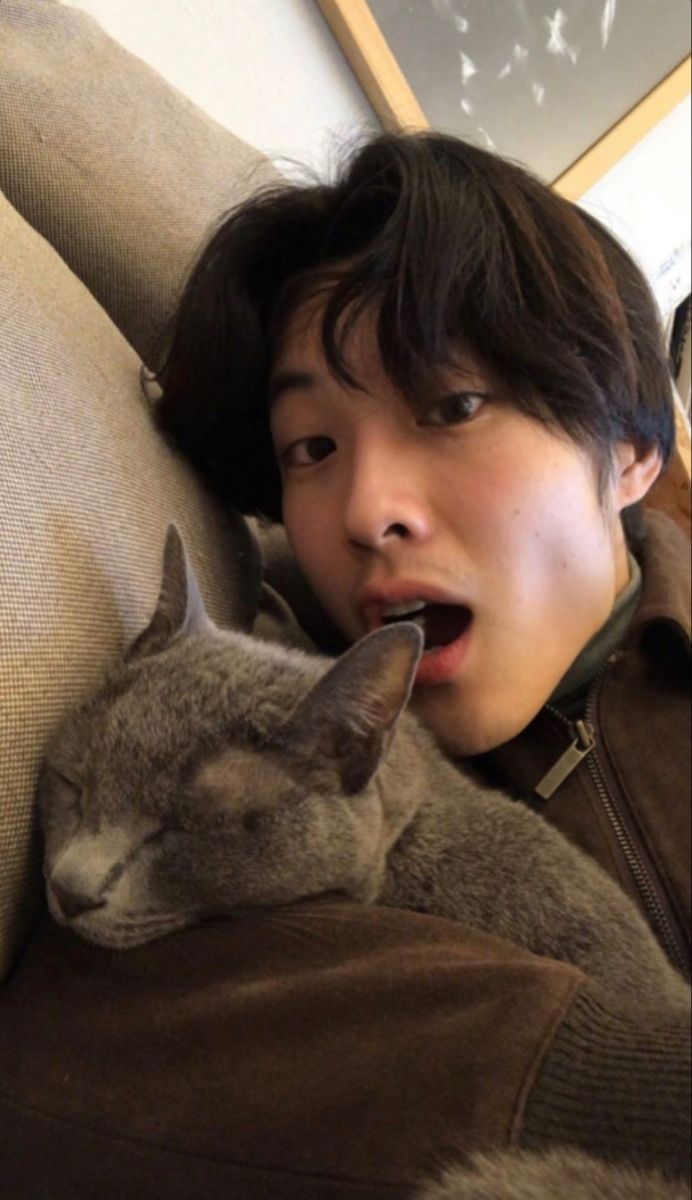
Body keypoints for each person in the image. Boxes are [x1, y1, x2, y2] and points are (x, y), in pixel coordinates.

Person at [154, 131, 690, 1178]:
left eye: (451, 406)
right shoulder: (280, 759)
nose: (362, 513)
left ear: (628, 450)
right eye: (311, 448)